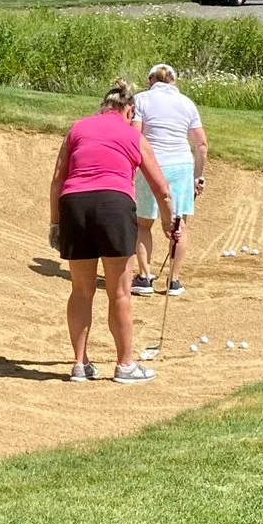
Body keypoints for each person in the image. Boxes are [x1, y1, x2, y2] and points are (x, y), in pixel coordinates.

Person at [49, 79, 178, 384]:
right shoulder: (132, 134)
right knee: (119, 292)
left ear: (103, 106)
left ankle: (80, 365)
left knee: (81, 290)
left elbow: (57, 180)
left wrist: (55, 225)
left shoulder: (77, 128)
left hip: (74, 205)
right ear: (129, 110)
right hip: (114, 205)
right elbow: (162, 190)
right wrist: (168, 223)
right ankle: (125, 365)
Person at [130, 63, 207, 297]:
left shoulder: (141, 99)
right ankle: (173, 281)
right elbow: (201, 146)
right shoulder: (187, 103)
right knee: (178, 224)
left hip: (152, 164)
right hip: (182, 166)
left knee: (144, 223)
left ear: (150, 80)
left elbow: (134, 136)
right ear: (173, 81)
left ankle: (144, 278)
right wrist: (198, 176)